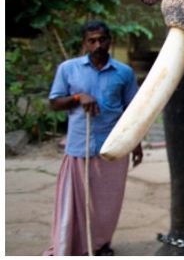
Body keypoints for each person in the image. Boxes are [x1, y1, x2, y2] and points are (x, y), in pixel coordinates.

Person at [44, 20, 142, 256]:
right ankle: (71, 244)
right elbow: (55, 102)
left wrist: (136, 143)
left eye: (102, 39)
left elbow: (133, 110)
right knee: (75, 201)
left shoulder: (124, 73)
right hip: (79, 146)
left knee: (107, 204)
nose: (98, 45)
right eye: (92, 41)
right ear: (84, 44)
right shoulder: (69, 69)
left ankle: (100, 244)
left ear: (109, 40)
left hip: (113, 148)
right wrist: (78, 97)